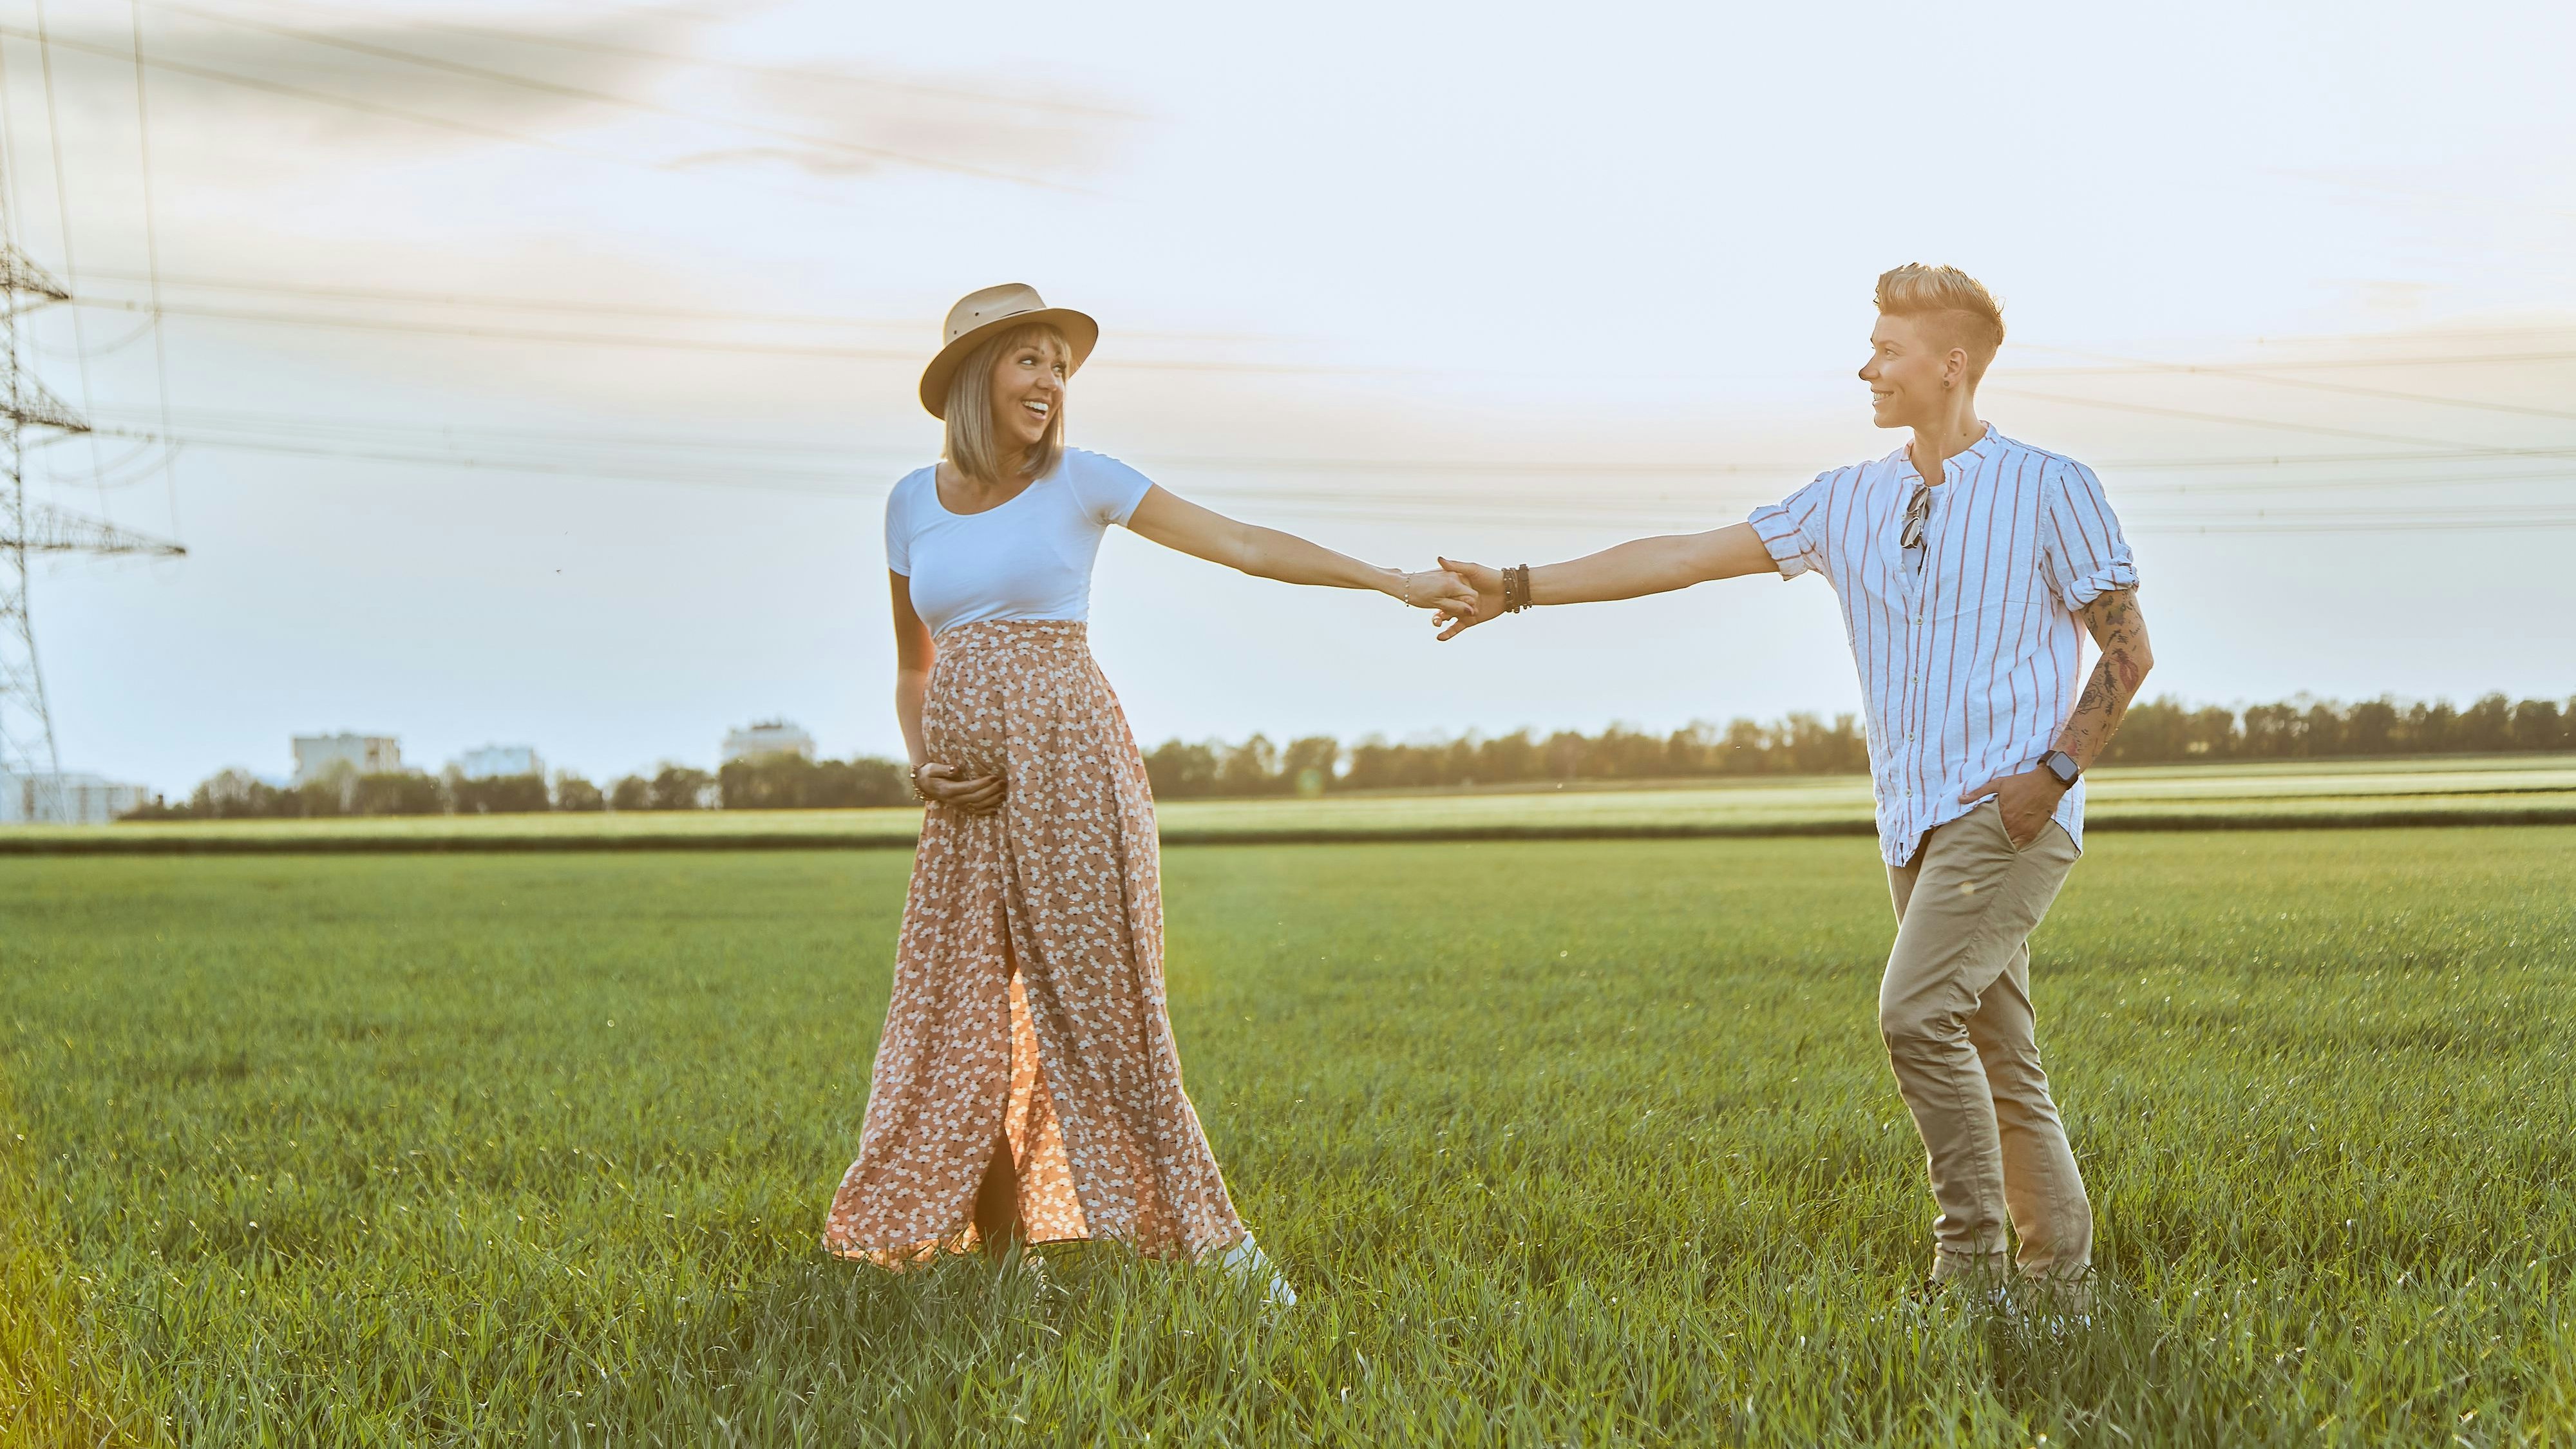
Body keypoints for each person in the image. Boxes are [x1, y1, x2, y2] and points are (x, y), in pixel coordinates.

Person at [1435, 265, 2153, 1304]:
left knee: (1914, 1016)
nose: (1867, 365)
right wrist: (1517, 589)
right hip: (1913, 823)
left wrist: (2049, 777)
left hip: (2007, 814)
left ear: (1951, 365)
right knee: (2000, 1053)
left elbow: (2126, 654)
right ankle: (2061, 1289)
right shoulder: (1846, 500)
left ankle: (1971, 1274)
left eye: (1889, 349)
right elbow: (1682, 556)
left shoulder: (2052, 486)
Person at [823, 283, 1475, 1303]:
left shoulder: (1086, 481)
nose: (1050, 381)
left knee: (1105, 1020)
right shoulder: (910, 501)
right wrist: (923, 762)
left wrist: (1392, 580)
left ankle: (1219, 1252)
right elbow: (915, 666)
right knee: (952, 1024)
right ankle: (1001, 1270)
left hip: (1072, 777)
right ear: (969, 377)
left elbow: (1247, 546)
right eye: (1029, 359)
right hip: (962, 806)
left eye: (1059, 365)